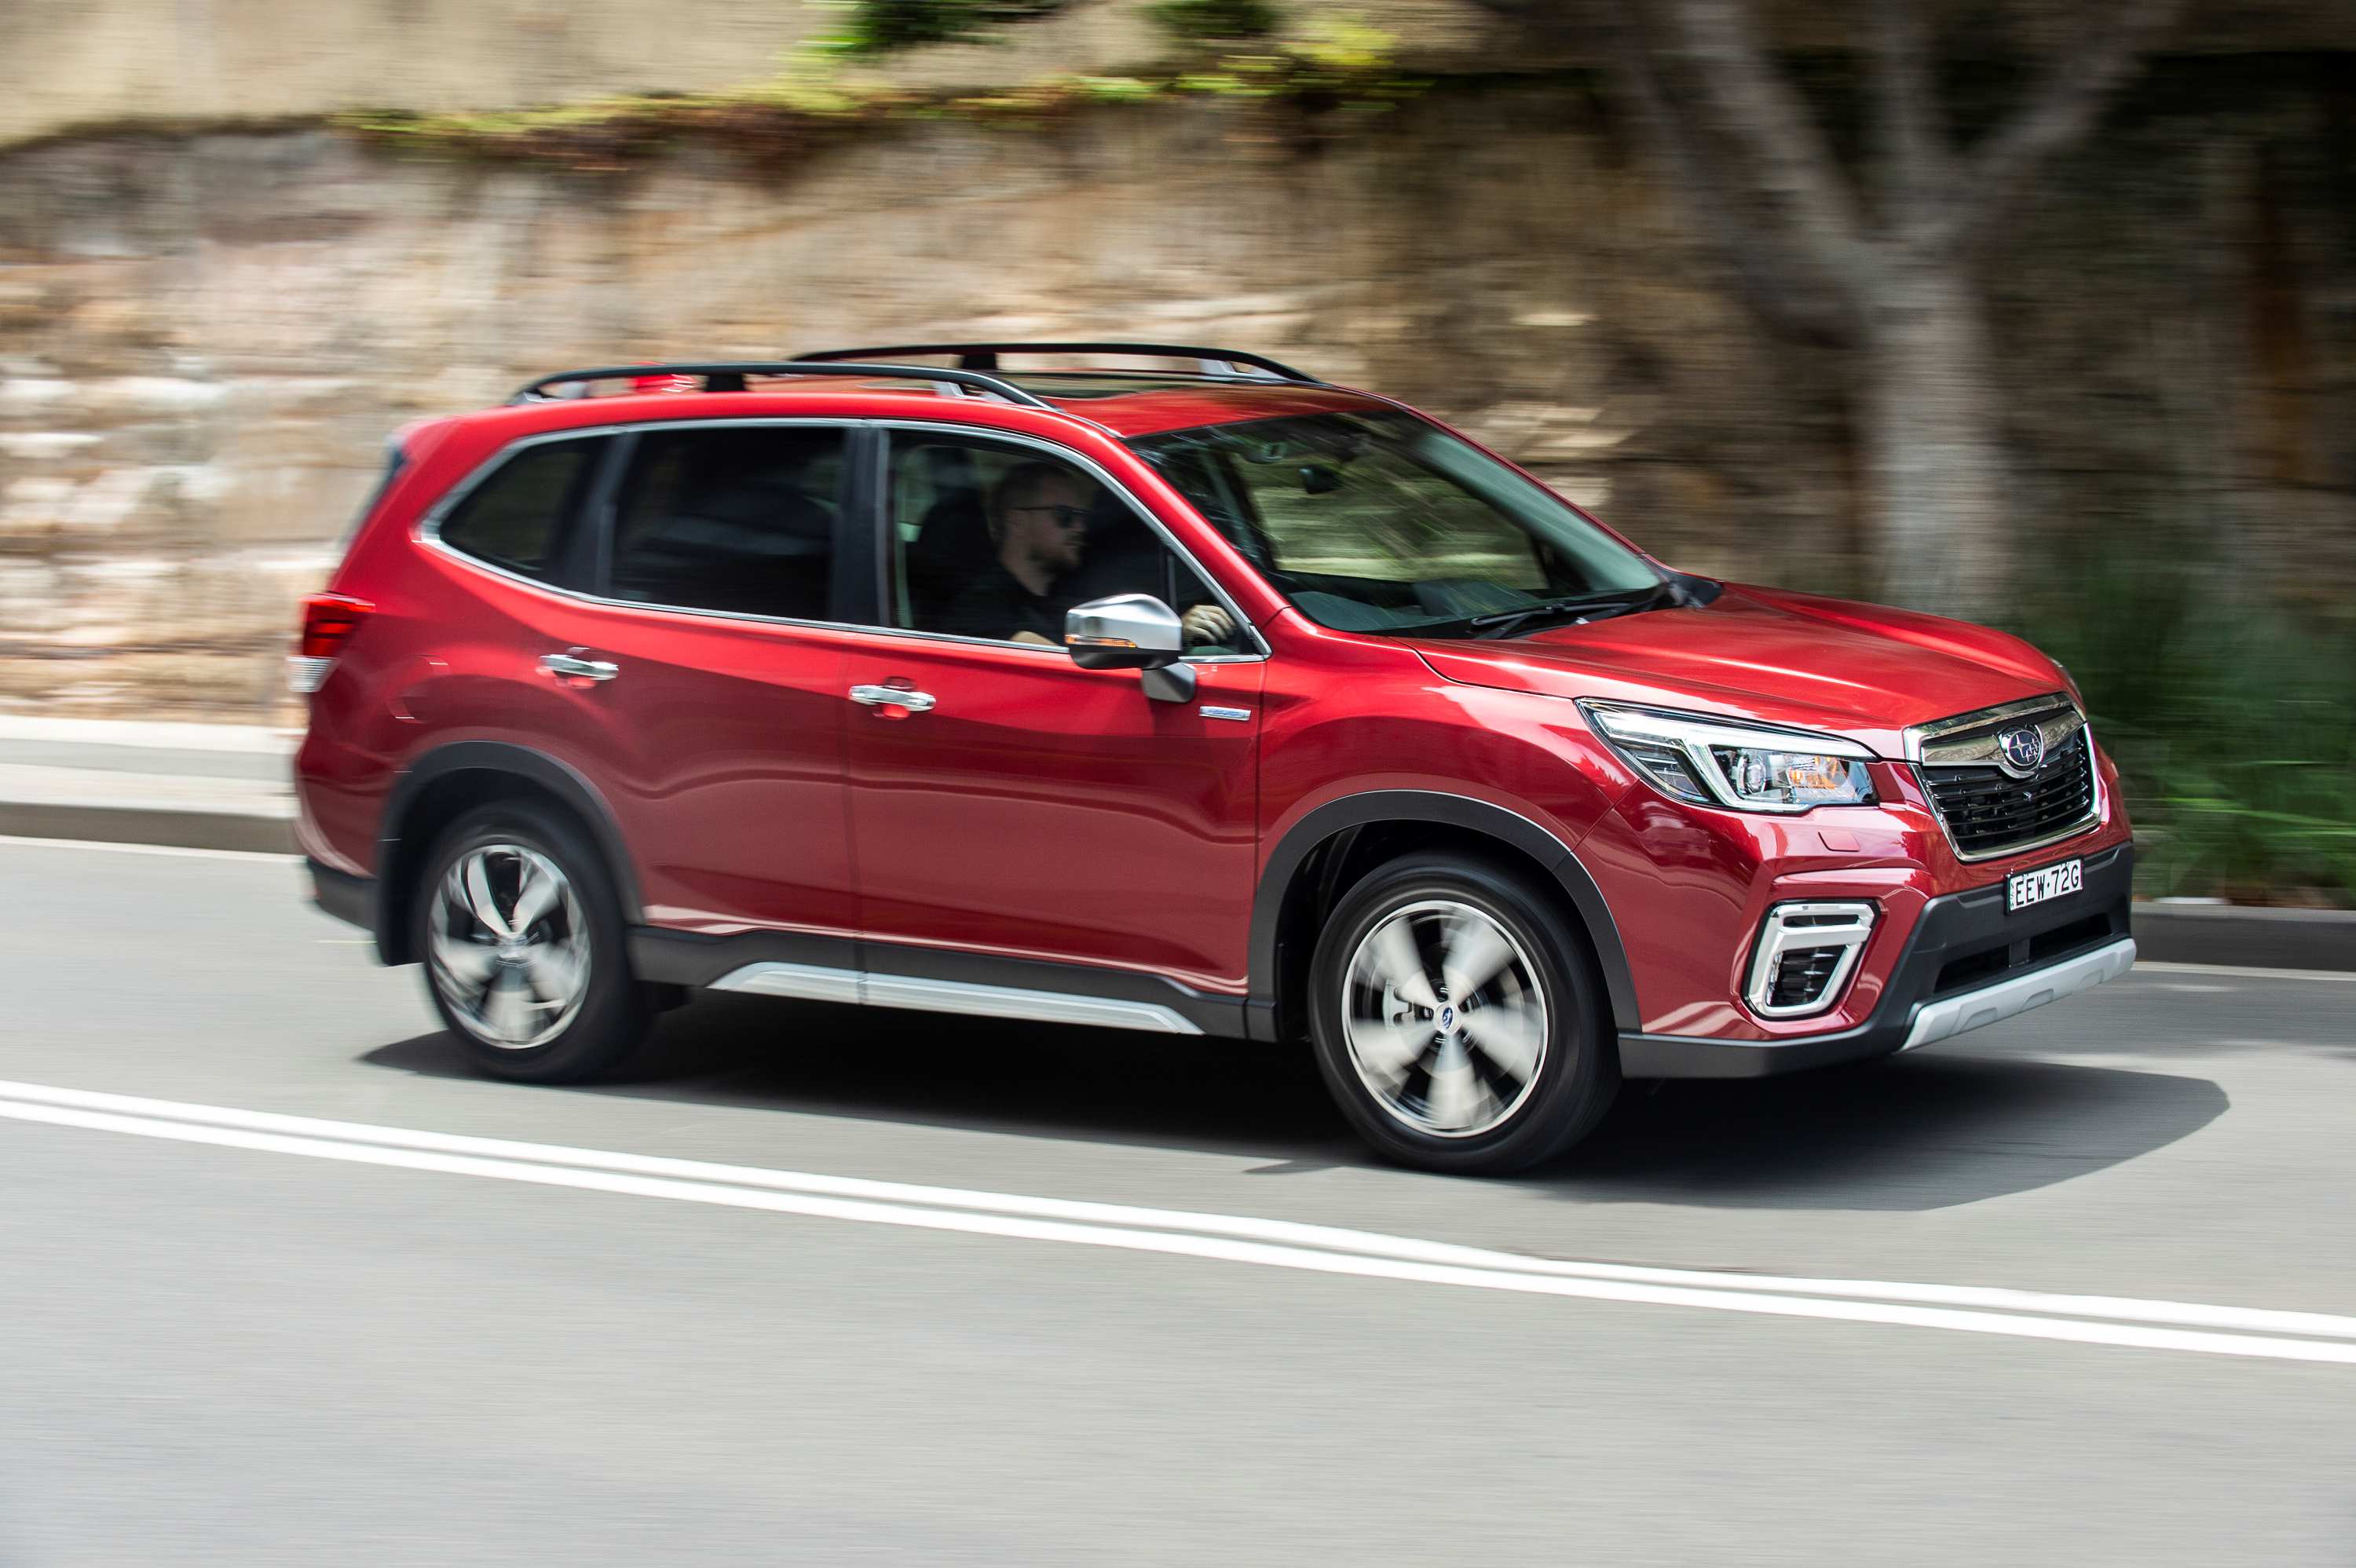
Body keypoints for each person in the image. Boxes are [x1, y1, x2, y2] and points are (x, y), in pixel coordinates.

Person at [941, 462, 1238, 649]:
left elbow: (1103, 636)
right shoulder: (983, 606)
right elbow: (1062, 663)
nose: (1080, 527)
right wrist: (1171, 635)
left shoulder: (1072, 586)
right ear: (1017, 523)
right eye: (1065, 515)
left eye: (1083, 516)